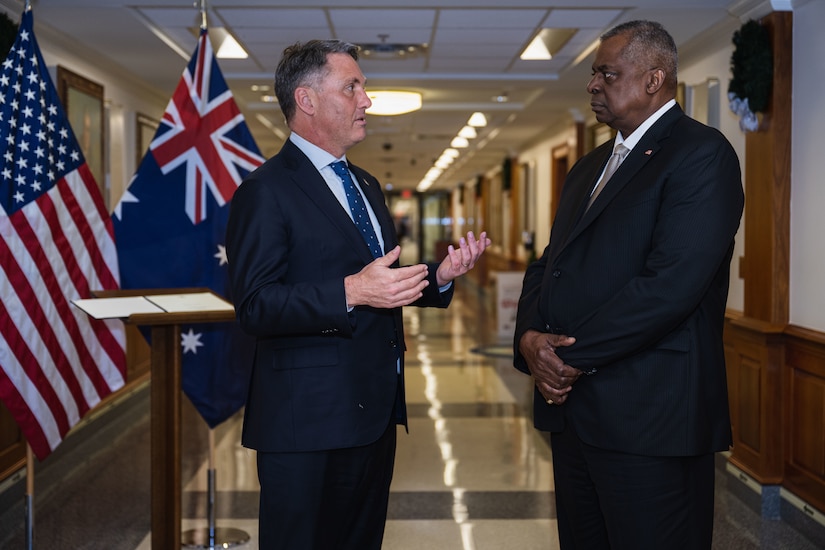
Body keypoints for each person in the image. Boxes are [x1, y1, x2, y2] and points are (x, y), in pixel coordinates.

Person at [225, 39, 490, 550]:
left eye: (363, 87)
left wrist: (438, 276)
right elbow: (256, 304)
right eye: (352, 87)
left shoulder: (365, 185)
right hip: (306, 424)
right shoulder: (266, 190)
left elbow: (380, 279)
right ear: (306, 100)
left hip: (374, 415)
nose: (366, 99)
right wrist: (350, 290)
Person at [513, 20, 744, 550]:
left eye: (607, 74)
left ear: (654, 79)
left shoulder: (701, 156)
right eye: (594, 74)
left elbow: (670, 287)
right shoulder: (589, 167)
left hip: (651, 419)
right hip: (574, 417)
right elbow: (549, 265)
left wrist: (567, 358)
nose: (593, 85)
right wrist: (530, 341)